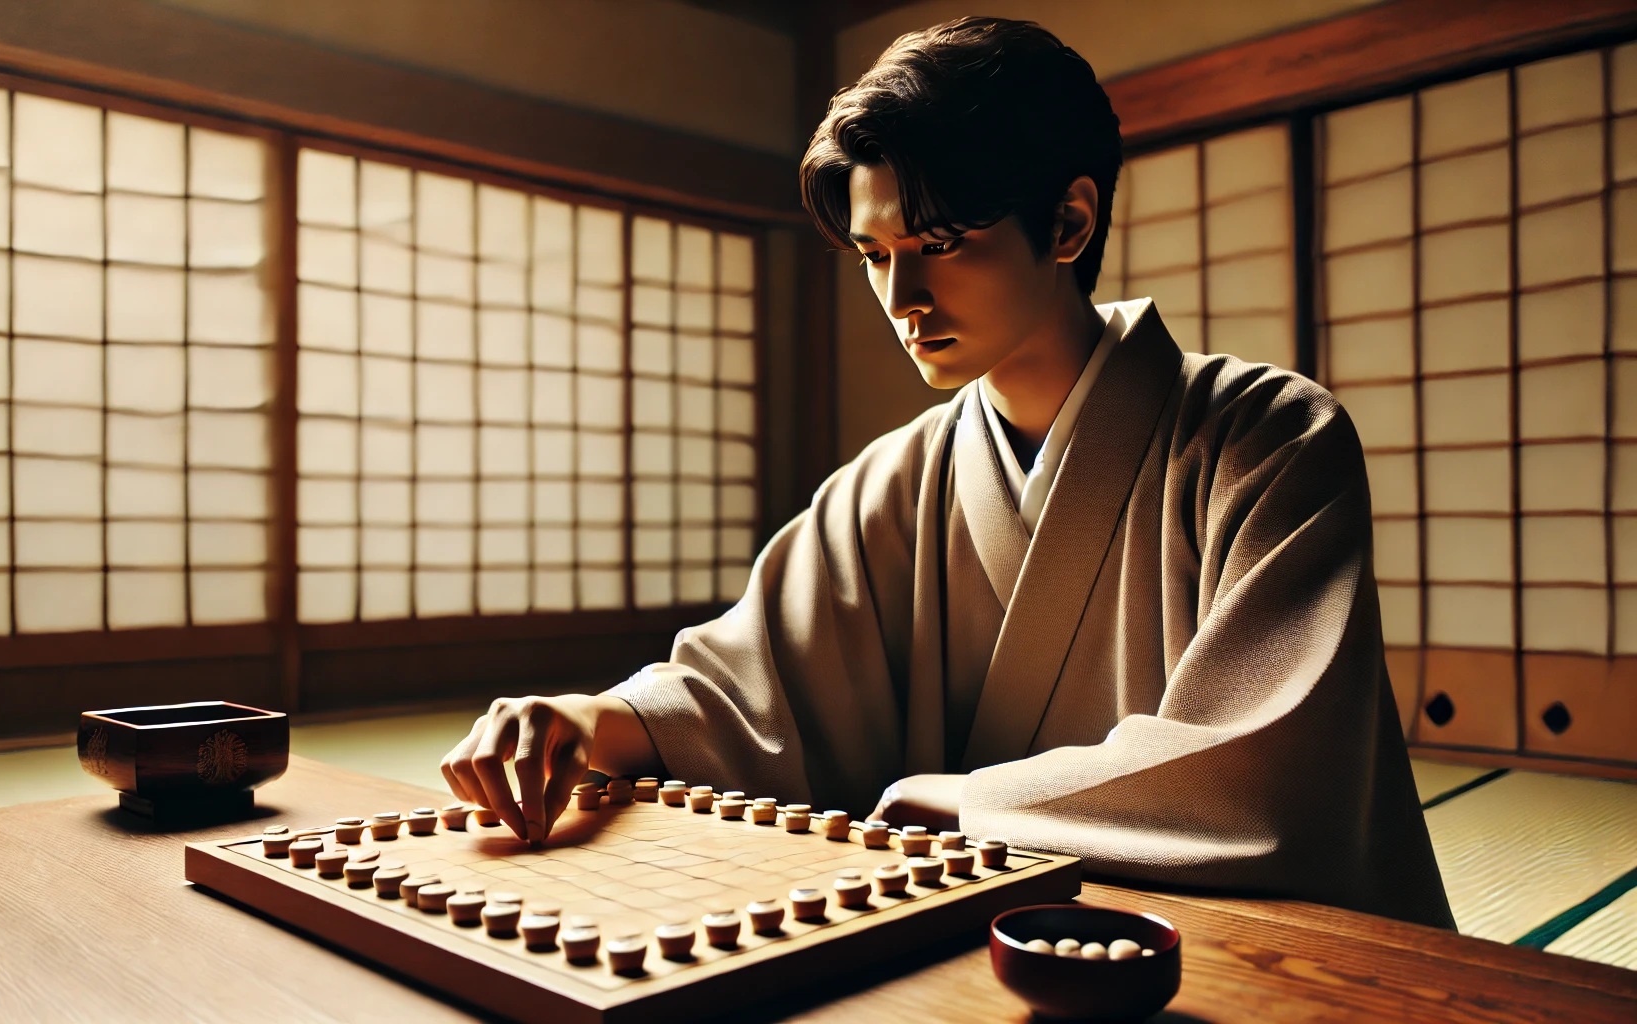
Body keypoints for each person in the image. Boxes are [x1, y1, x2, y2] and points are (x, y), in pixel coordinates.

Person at [442, 16, 1453, 929]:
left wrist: (979, 803)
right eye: (875, 254)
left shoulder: (1269, 437)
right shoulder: (896, 480)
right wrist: (589, 720)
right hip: (967, 924)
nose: (902, 295)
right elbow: (746, 692)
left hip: (1221, 941)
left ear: (1067, 224)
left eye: (939, 244)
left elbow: (1267, 771)